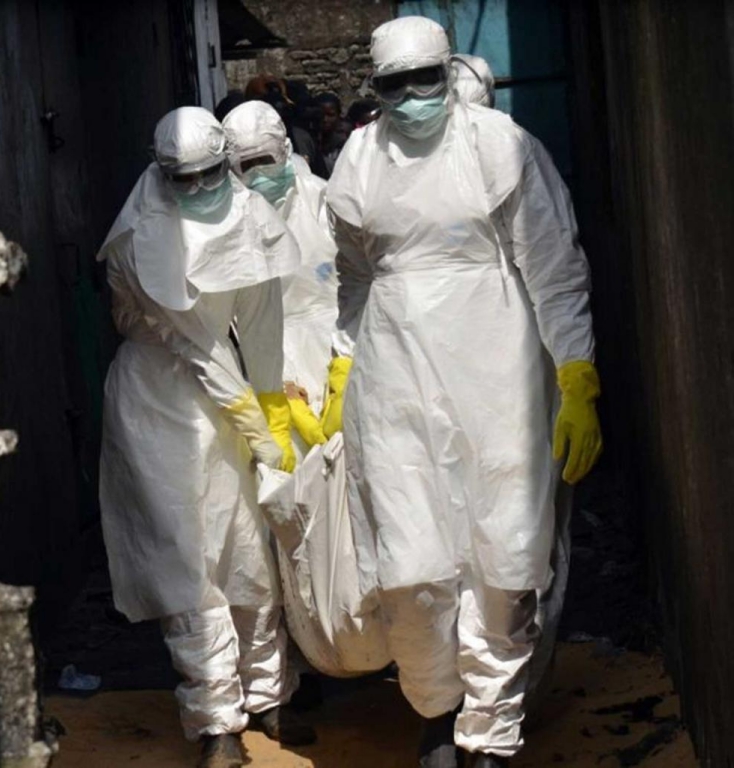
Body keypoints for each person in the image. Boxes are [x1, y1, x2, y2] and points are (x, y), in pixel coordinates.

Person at [324, 17, 603, 768]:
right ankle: (436, 708)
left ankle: (491, 729)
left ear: (448, 73)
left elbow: (553, 266)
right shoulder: (359, 158)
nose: (413, 98)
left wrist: (574, 371)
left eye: (426, 80)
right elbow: (351, 275)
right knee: (411, 568)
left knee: (506, 560)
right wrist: (341, 362)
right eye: (395, 85)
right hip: (394, 371)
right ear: (374, 90)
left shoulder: (501, 147)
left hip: (497, 363)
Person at [98, 106, 316, 768]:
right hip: (159, 401)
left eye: (209, 175)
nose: (199, 189)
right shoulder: (143, 235)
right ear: (164, 174)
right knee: (187, 560)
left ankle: (274, 694)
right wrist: (255, 418)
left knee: (248, 543)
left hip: (231, 396)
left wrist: (275, 401)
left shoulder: (249, 215)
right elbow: (196, 346)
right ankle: (216, 722)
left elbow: (261, 317)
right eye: (184, 179)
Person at [450, 51, 572, 721]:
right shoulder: (392, 170)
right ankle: (472, 693)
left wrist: (572, 374)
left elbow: (555, 270)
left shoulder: (518, 159)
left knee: (520, 544)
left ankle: (507, 695)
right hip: (448, 382)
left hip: (515, 376)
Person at [221, 100, 338, 453]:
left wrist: (348, 365)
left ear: (285, 151)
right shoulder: (227, 223)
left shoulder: (323, 201)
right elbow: (233, 320)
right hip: (269, 363)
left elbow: (359, 284)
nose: (257, 174)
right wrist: (277, 385)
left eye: (265, 162)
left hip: (338, 348)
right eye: (247, 165)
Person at [315, 92, 349, 178]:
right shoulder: (309, 142)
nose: (325, 119)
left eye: (330, 115)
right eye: (321, 115)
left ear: (339, 115)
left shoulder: (347, 144)